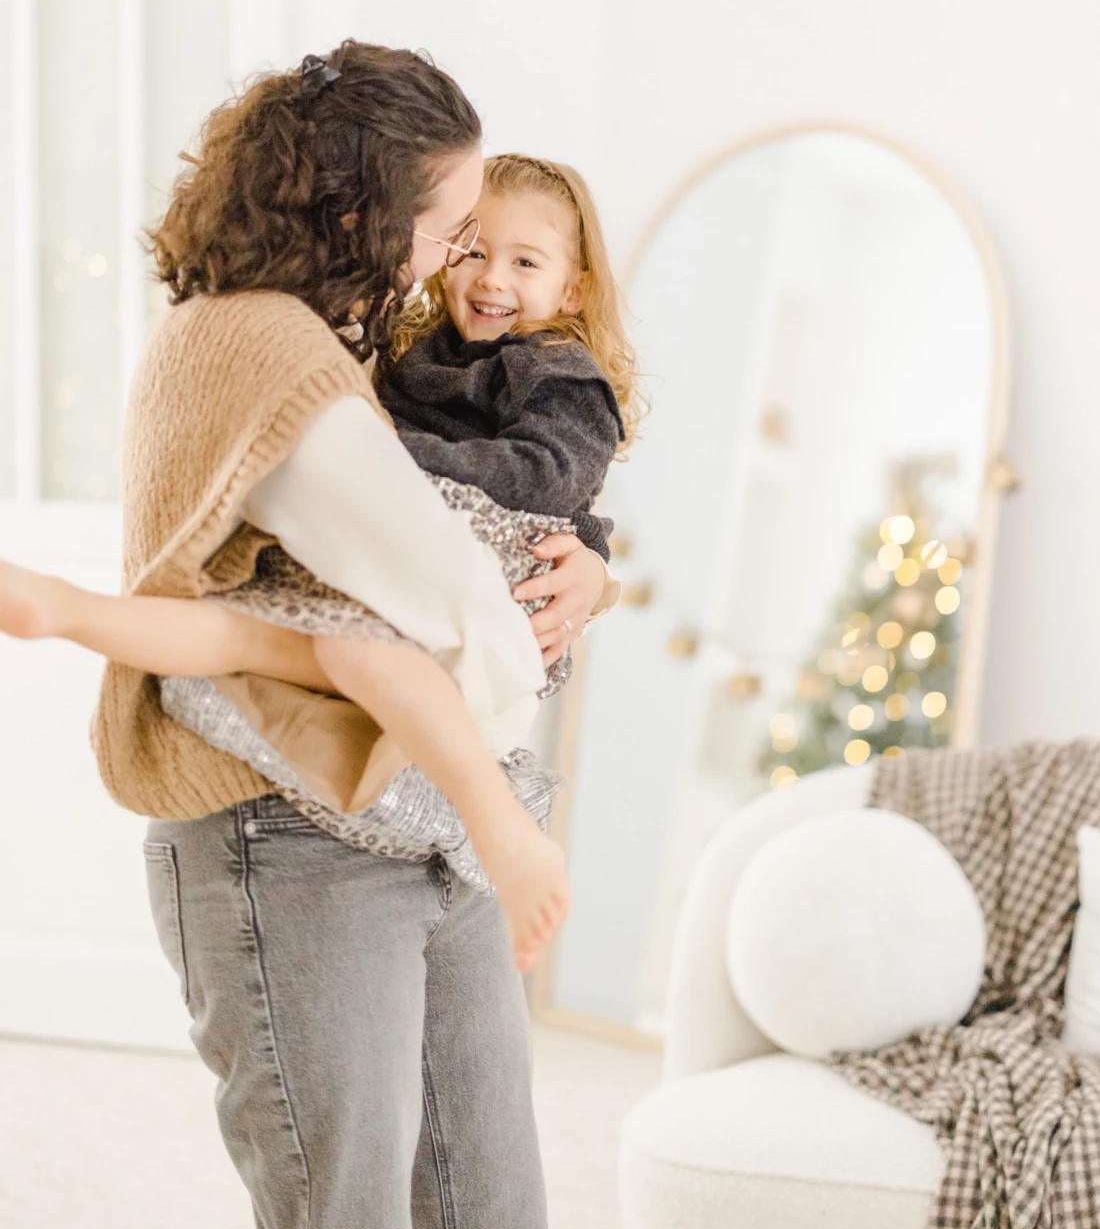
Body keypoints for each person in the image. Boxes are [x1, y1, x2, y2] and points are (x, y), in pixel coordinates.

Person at [5, 42, 614, 1229]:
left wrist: (588, 556)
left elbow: (465, 530)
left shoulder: (324, 347)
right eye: (448, 225)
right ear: (369, 212)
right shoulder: (281, 359)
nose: (457, 259)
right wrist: (545, 608)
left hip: (421, 814)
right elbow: (453, 610)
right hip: (297, 837)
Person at [0, 151, 639, 972]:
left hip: (491, 589)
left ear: (575, 291)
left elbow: (556, 481)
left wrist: (585, 558)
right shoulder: (411, 348)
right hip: (396, 568)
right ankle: (62, 607)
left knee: (329, 646)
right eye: (474, 247)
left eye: (526, 261)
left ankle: (498, 822)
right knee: (255, 633)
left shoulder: (560, 372)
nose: (491, 277)